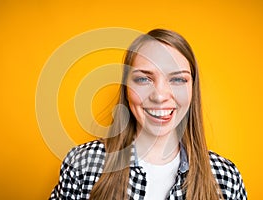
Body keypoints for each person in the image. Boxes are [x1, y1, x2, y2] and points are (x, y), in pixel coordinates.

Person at [49, 29, 247, 200]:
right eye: (144, 79)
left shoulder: (225, 177)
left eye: (178, 79)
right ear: (127, 88)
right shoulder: (82, 164)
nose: (160, 96)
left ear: (192, 90)